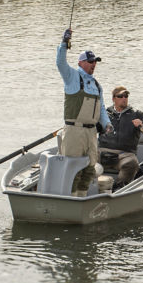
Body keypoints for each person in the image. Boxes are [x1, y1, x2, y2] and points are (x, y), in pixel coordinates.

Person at [56, 28, 114, 196]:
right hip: (74, 131)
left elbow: (101, 108)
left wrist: (107, 124)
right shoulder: (71, 77)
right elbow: (60, 63)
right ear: (81, 63)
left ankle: (81, 200)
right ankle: (71, 201)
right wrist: (64, 43)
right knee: (74, 169)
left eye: (95, 62)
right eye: (90, 61)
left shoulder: (97, 85)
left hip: (91, 133)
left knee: (89, 169)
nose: (93, 64)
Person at [98, 86, 143, 188]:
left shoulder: (136, 114)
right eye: (120, 96)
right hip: (102, 151)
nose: (124, 98)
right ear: (113, 99)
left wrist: (142, 124)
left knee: (132, 164)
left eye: (126, 96)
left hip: (125, 154)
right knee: (85, 159)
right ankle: (90, 187)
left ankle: (119, 188)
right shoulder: (104, 114)